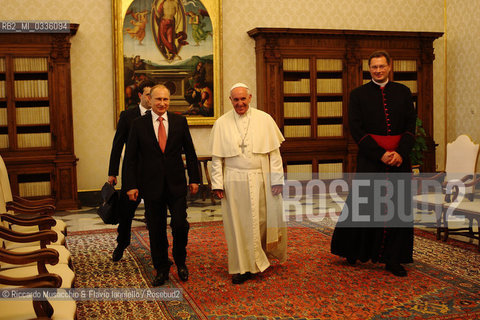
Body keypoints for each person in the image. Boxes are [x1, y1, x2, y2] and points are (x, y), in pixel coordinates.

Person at [330, 50, 416, 277]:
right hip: (371, 158)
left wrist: (400, 153)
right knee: (365, 206)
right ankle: (353, 249)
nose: (378, 70)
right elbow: (356, 130)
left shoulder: (403, 92)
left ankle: (394, 258)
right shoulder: (358, 94)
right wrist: (380, 154)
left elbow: (410, 127)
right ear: (369, 70)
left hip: (399, 159)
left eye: (381, 66)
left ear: (389, 67)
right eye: (374, 67)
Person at [209, 83, 287, 284]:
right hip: (233, 180)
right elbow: (217, 157)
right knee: (237, 225)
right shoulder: (222, 123)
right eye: (236, 99)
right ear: (230, 100)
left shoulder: (264, 119)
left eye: (243, 99)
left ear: (250, 98)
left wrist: (276, 180)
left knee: (261, 221)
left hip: (260, 177)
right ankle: (242, 267)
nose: (240, 103)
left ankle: (258, 259)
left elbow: (274, 154)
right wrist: (217, 184)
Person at [124, 84, 200, 286]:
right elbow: (130, 158)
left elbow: (190, 153)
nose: (162, 103)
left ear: (169, 101)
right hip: (151, 186)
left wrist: (194, 179)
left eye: (166, 99)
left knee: (180, 225)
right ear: (150, 101)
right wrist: (130, 185)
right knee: (156, 229)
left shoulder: (179, 122)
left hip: (176, 185)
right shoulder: (138, 125)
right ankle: (161, 269)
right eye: (158, 99)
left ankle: (181, 262)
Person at [108, 79, 155, 262]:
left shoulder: (160, 115)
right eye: (148, 94)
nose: (151, 98)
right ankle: (122, 242)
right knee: (126, 212)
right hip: (132, 172)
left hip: (153, 173)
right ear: (140, 96)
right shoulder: (128, 116)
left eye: (154, 94)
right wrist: (113, 173)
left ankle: (158, 250)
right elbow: (117, 145)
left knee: (154, 212)